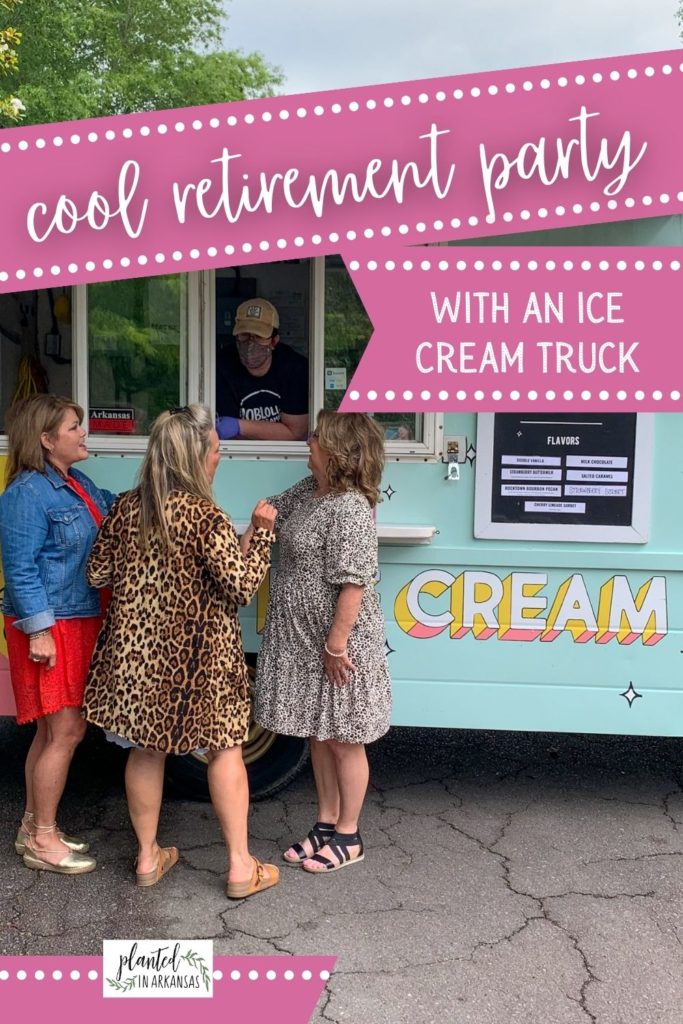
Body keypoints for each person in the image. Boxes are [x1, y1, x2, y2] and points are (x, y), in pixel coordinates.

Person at [82, 404, 280, 897]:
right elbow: (241, 586)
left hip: (136, 659)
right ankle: (239, 867)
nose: (219, 458)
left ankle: (147, 857)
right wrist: (263, 533)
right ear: (195, 457)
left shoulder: (127, 507)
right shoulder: (205, 516)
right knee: (224, 750)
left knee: (146, 752)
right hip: (200, 662)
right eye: (215, 451)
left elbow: (96, 574)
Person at [252, 410, 391, 873]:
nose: (308, 444)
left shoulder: (350, 506)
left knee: (345, 737)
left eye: (316, 439)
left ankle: (350, 835)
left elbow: (354, 584)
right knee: (319, 733)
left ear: (337, 451)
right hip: (304, 640)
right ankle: (326, 823)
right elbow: (269, 508)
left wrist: (336, 646)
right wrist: (251, 529)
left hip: (336, 643)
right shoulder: (308, 492)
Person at [0, 394, 117, 875]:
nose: (82, 433)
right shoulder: (27, 493)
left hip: (75, 618)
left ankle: (34, 827)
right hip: (52, 625)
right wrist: (40, 632)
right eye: (74, 427)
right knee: (66, 731)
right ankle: (44, 838)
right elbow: (20, 570)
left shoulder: (75, 482)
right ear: (47, 440)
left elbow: (116, 509)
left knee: (52, 731)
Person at [215, 298, 309, 442]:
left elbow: (295, 433)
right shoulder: (222, 365)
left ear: (274, 341)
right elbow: (227, 434)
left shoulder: (294, 367)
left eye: (259, 336)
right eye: (244, 334)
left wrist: (240, 426)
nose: (250, 343)